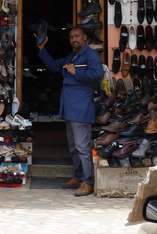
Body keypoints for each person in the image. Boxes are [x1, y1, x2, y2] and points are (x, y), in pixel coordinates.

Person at [37, 27, 103, 196]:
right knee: (74, 147)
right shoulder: (71, 56)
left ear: (85, 37)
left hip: (81, 108)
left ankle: (88, 183)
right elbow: (53, 65)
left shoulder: (91, 55)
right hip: (69, 107)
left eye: (77, 36)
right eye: (71, 37)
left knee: (82, 147)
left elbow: (97, 73)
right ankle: (79, 177)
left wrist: (77, 71)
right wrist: (41, 48)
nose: (74, 39)